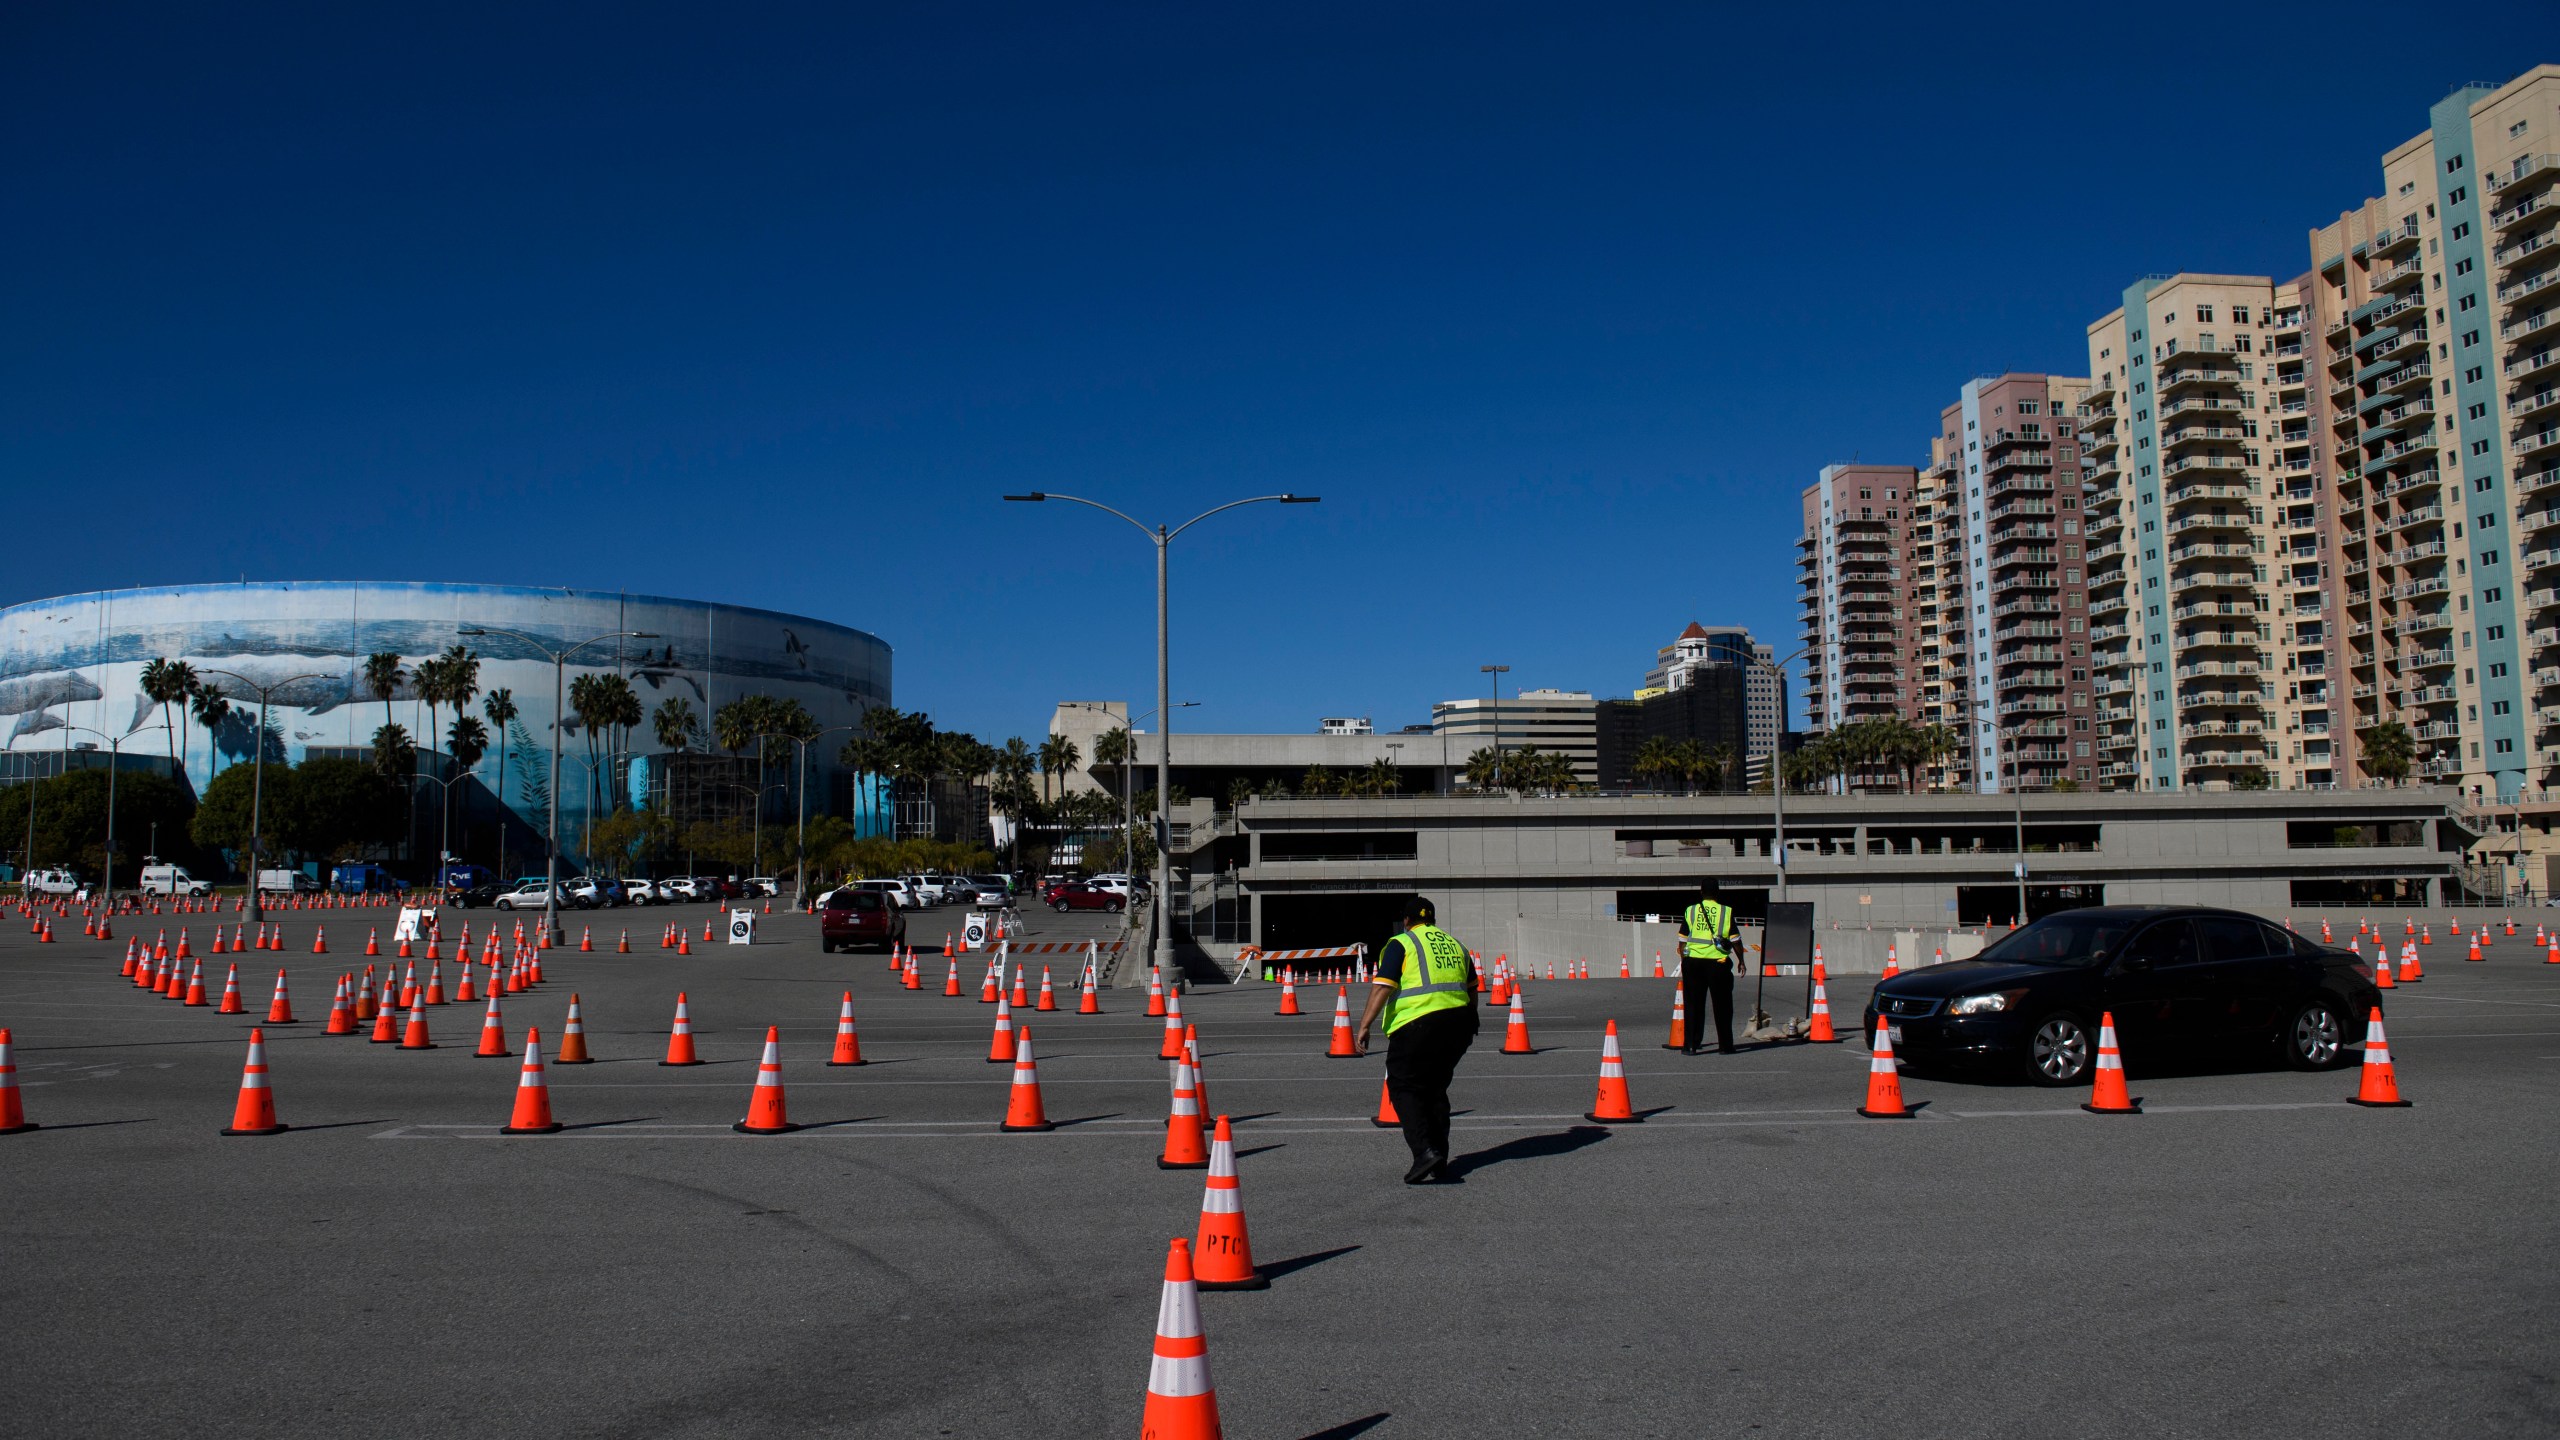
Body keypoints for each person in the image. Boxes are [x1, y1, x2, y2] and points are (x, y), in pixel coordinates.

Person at [1354, 897, 1480, 1183]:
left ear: (1407, 921)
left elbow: (1382, 988)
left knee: (1403, 1085)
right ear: (1433, 919)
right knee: (1435, 1088)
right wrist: (1470, 1020)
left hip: (1418, 1023)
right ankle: (1440, 1158)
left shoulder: (1402, 943)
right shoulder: (1455, 944)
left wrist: (1364, 1026)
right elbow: (1473, 990)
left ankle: (1424, 1152)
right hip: (1460, 1023)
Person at [1676, 878, 1744, 1055]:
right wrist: (1741, 960)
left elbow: (1683, 939)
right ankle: (1725, 1046)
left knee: (1693, 1004)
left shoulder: (1691, 910)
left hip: (1693, 963)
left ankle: (1691, 1045)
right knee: (1722, 1005)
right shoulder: (1726, 911)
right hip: (1718, 963)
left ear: (1701, 892)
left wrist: (1684, 959)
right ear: (1717, 893)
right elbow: (1735, 940)